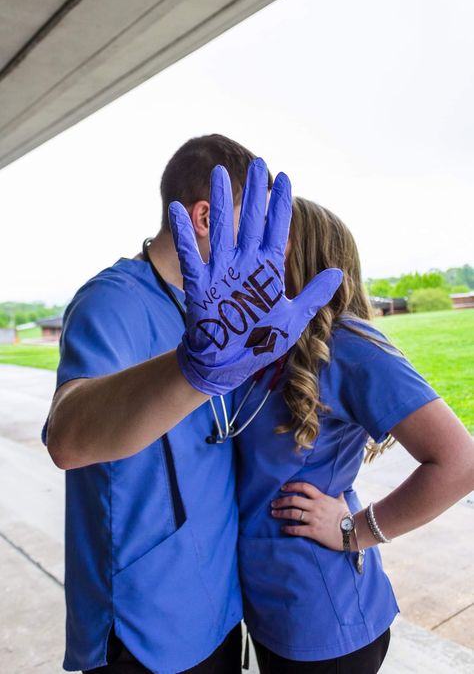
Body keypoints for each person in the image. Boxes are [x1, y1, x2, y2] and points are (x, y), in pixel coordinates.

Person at [41, 136, 342, 673]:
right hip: (144, 624)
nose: (263, 248)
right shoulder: (113, 299)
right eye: (251, 227)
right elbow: (66, 438)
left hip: (217, 606)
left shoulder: (220, 311)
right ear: (207, 217)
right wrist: (192, 370)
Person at [233, 197, 474, 674]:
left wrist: (357, 530)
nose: (251, 253)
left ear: (306, 255)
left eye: (269, 242)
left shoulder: (348, 345)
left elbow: (460, 461)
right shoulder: (261, 346)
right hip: (267, 603)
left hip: (322, 616)